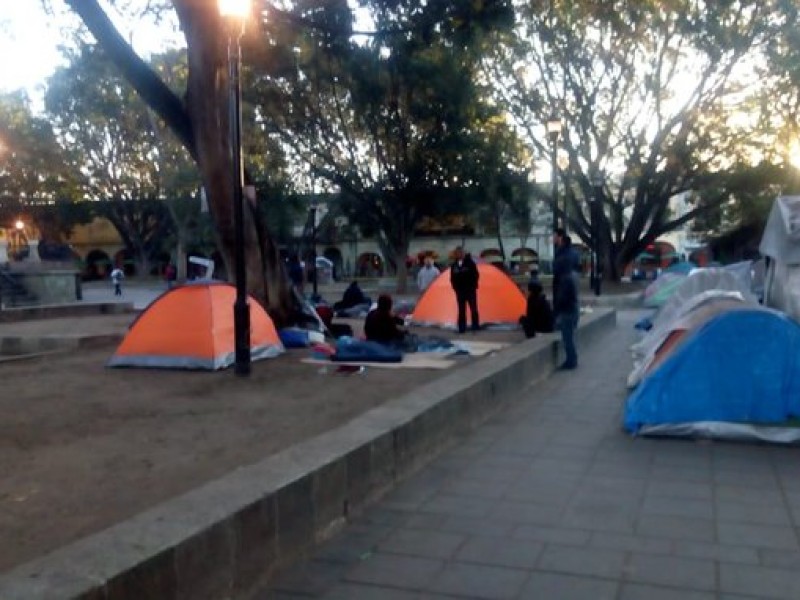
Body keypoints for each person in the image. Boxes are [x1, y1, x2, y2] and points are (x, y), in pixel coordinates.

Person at [552, 228, 581, 369]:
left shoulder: (563, 257)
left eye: (554, 236)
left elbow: (560, 285)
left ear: (560, 237)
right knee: (568, 333)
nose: (552, 238)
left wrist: (557, 306)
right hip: (571, 302)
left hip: (566, 304)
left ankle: (571, 360)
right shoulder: (572, 255)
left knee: (567, 335)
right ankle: (572, 359)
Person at [450, 247, 480, 333]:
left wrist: (473, 286)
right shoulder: (454, 265)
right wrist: (455, 287)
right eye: (457, 253)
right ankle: (462, 327)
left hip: (470, 290)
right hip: (460, 291)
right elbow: (452, 278)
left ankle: (475, 326)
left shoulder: (470, 263)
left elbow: (476, 275)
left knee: (473, 308)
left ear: (464, 253)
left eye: (461, 253)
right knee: (461, 309)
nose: (459, 254)